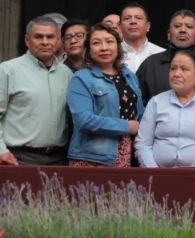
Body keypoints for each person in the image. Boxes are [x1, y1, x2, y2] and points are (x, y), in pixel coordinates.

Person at [66, 23, 143, 167]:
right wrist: (126, 126)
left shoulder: (128, 75)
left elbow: (140, 113)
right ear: (88, 50)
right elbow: (84, 120)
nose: (104, 48)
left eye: (109, 41)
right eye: (96, 43)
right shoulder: (81, 78)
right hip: (92, 157)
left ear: (118, 47)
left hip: (127, 153)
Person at [0, 16, 73, 165]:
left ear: (58, 41)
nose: (45, 42)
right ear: (27, 40)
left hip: (59, 159)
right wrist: (1, 150)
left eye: (50, 37)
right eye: (38, 37)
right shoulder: (7, 70)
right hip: (18, 158)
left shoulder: (67, 74)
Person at [135, 50, 195, 168]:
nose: (176, 74)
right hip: (157, 174)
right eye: (173, 68)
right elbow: (143, 142)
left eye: (184, 69)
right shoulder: (156, 102)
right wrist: (153, 170)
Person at [137, 10, 195, 103]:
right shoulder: (151, 64)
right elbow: (137, 103)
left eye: (189, 27)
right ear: (168, 34)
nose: (183, 30)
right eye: (177, 26)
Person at [119, 3, 165, 72]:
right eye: (127, 18)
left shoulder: (161, 54)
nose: (133, 21)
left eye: (138, 18)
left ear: (148, 26)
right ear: (120, 26)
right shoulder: (111, 54)